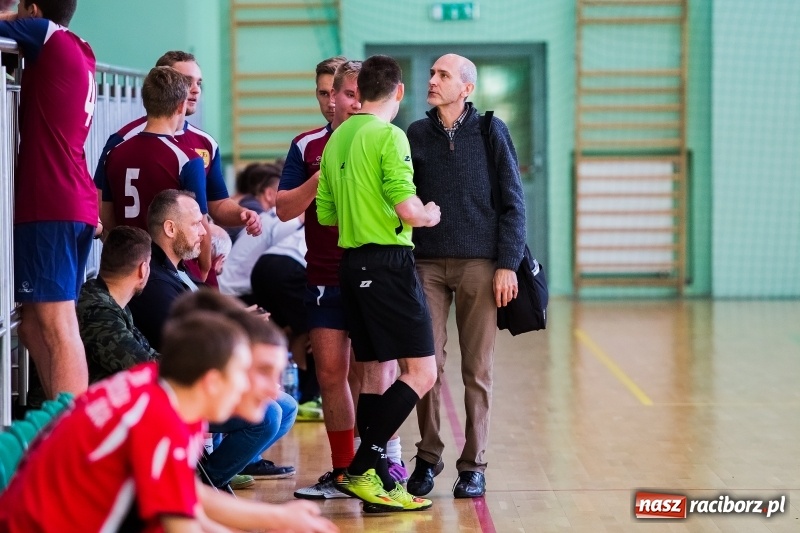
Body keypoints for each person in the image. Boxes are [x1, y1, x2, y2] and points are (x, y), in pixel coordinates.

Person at [315, 54, 440, 513]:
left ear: (358, 91)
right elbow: (409, 209)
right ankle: (364, 466)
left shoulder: (336, 139)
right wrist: (428, 213)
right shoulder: (390, 135)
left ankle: (378, 483)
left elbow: (327, 214)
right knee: (422, 372)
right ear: (398, 92)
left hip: (351, 266)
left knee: (372, 373)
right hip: (388, 264)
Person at [0, 309, 254, 531]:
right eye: (243, 375)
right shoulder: (159, 419)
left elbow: (185, 498)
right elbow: (181, 524)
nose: (247, 386)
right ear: (211, 380)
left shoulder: (154, 382)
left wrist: (280, 517)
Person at [405, 54, 526, 499]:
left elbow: (514, 202)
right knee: (425, 365)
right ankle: (429, 455)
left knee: (477, 369)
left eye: (443, 75)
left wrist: (506, 263)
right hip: (426, 265)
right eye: (432, 73)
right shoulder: (414, 134)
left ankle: (473, 464)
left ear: (467, 88)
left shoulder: (492, 131)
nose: (432, 80)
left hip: (481, 263)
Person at [276, 58, 372, 500]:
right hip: (323, 275)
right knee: (331, 373)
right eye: (346, 94)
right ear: (331, 97)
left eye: (359, 94)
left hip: (375, 276)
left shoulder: (385, 139)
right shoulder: (306, 145)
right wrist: (324, 171)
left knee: (374, 375)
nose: (353, 103)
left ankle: (381, 465)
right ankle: (343, 471)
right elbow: (284, 209)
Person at [94, 50, 262, 278]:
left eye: (199, 83)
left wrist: (242, 213)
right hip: (162, 271)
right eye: (186, 82)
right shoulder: (121, 141)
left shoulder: (205, 143)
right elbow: (104, 208)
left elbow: (218, 205)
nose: (194, 89)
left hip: (173, 269)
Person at [0, 0, 96, 399]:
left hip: (52, 204)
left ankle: (73, 438)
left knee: (58, 325)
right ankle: (53, 424)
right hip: (67, 201)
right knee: (33, 323)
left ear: (33, 8)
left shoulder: (45, 33)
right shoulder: (78, 44)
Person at [170, 291, 298, 487]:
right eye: (261, 372)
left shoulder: (180, 408)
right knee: (270, 414)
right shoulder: (159, 427)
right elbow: (177, 511)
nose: (273, 392)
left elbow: (192, 497)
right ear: (214, 376)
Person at [100, 66, 207, 233]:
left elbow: (105, 213)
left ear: (145, 102)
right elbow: (200, 226)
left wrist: (123, 247)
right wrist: (207, 261)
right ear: (181, 106)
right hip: (168, 257)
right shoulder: (187, 159)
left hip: (127, 254)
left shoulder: (115, 151)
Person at [128, 189, 207, 351]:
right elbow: (184, 346)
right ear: (170, 229)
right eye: (196, 224)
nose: (203, 232)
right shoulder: (154, 283)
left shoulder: (177, 268)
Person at [77, 226, 156, 384]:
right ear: (143, 269)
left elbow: (148, 352)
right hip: (63, 408)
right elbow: (144, 369)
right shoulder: (97, 311)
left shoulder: (109, 299)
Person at [219, 171, 302, 300]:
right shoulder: (288, 221)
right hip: (236, 292)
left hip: (227, 285)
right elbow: (280, 271)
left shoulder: (271, 215)